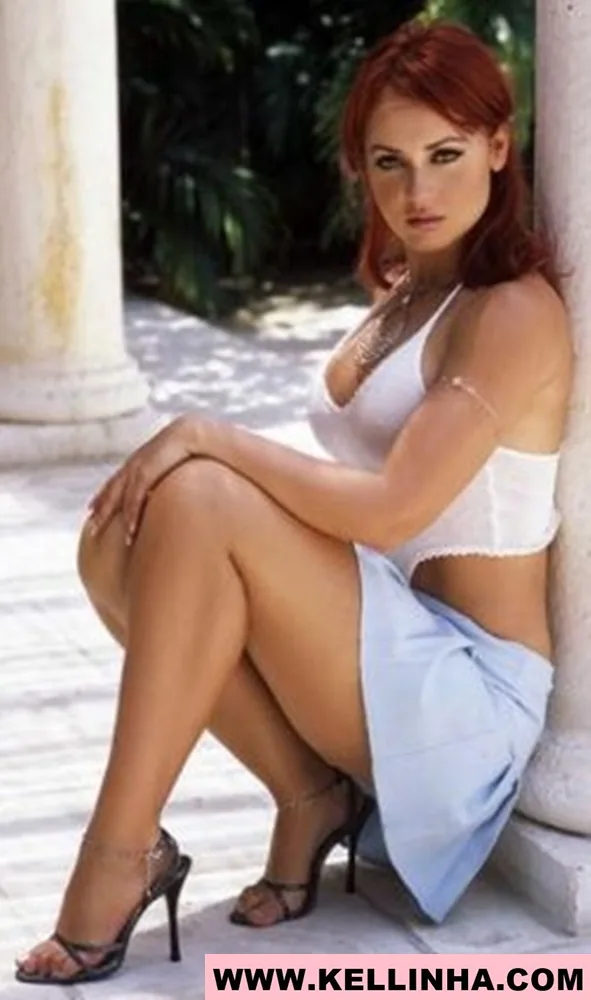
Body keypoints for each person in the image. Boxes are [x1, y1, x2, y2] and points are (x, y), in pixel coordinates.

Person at [16, 17, 572, 986]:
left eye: (445, 155)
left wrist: (210, 436)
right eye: (390, 163)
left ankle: (118, 855)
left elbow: (393, 508)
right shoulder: (407, 292)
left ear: (497, 146)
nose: (417, 191)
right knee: (118, 539)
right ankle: (309, 797)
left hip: (466, 709)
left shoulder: (513, 312)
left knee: (199, 495)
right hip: (386, 656)